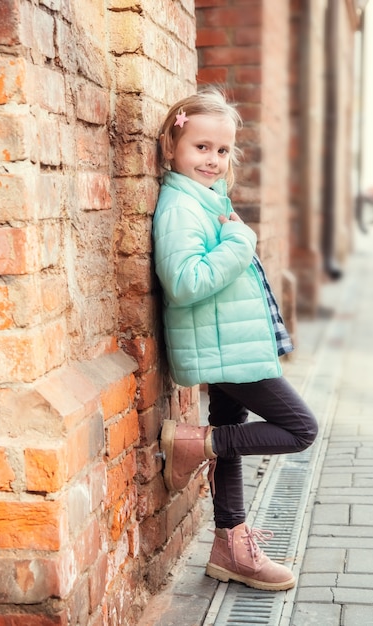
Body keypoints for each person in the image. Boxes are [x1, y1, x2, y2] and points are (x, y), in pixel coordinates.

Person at [152, 88, 318, 592]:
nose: (213, 160)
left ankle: (230, 544)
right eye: (201, 147)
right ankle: (194, 441)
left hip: (230, 342)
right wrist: (241, 242)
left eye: (222, 151)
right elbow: (184, 282)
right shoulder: (180, 208)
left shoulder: (206, 200)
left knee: (233, 434)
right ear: (171, 145)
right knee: (300, 429)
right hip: (228, 350)